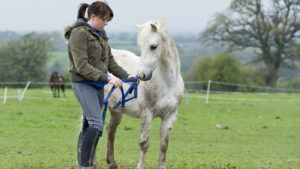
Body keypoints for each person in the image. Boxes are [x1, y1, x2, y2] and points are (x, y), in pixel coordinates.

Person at [64, 1, 133, 168]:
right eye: (104, 19)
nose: (106, 23)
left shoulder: (101, 34)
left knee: (89, 124)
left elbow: (110, 62)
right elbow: (81, 65)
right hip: (83, 84)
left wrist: (127, 76)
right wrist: (108, 79)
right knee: (96, 123)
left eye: (108, 21)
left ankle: (85, 163)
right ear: (93, 16)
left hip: (97, 85)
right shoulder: (79, 34)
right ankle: (86, 166)